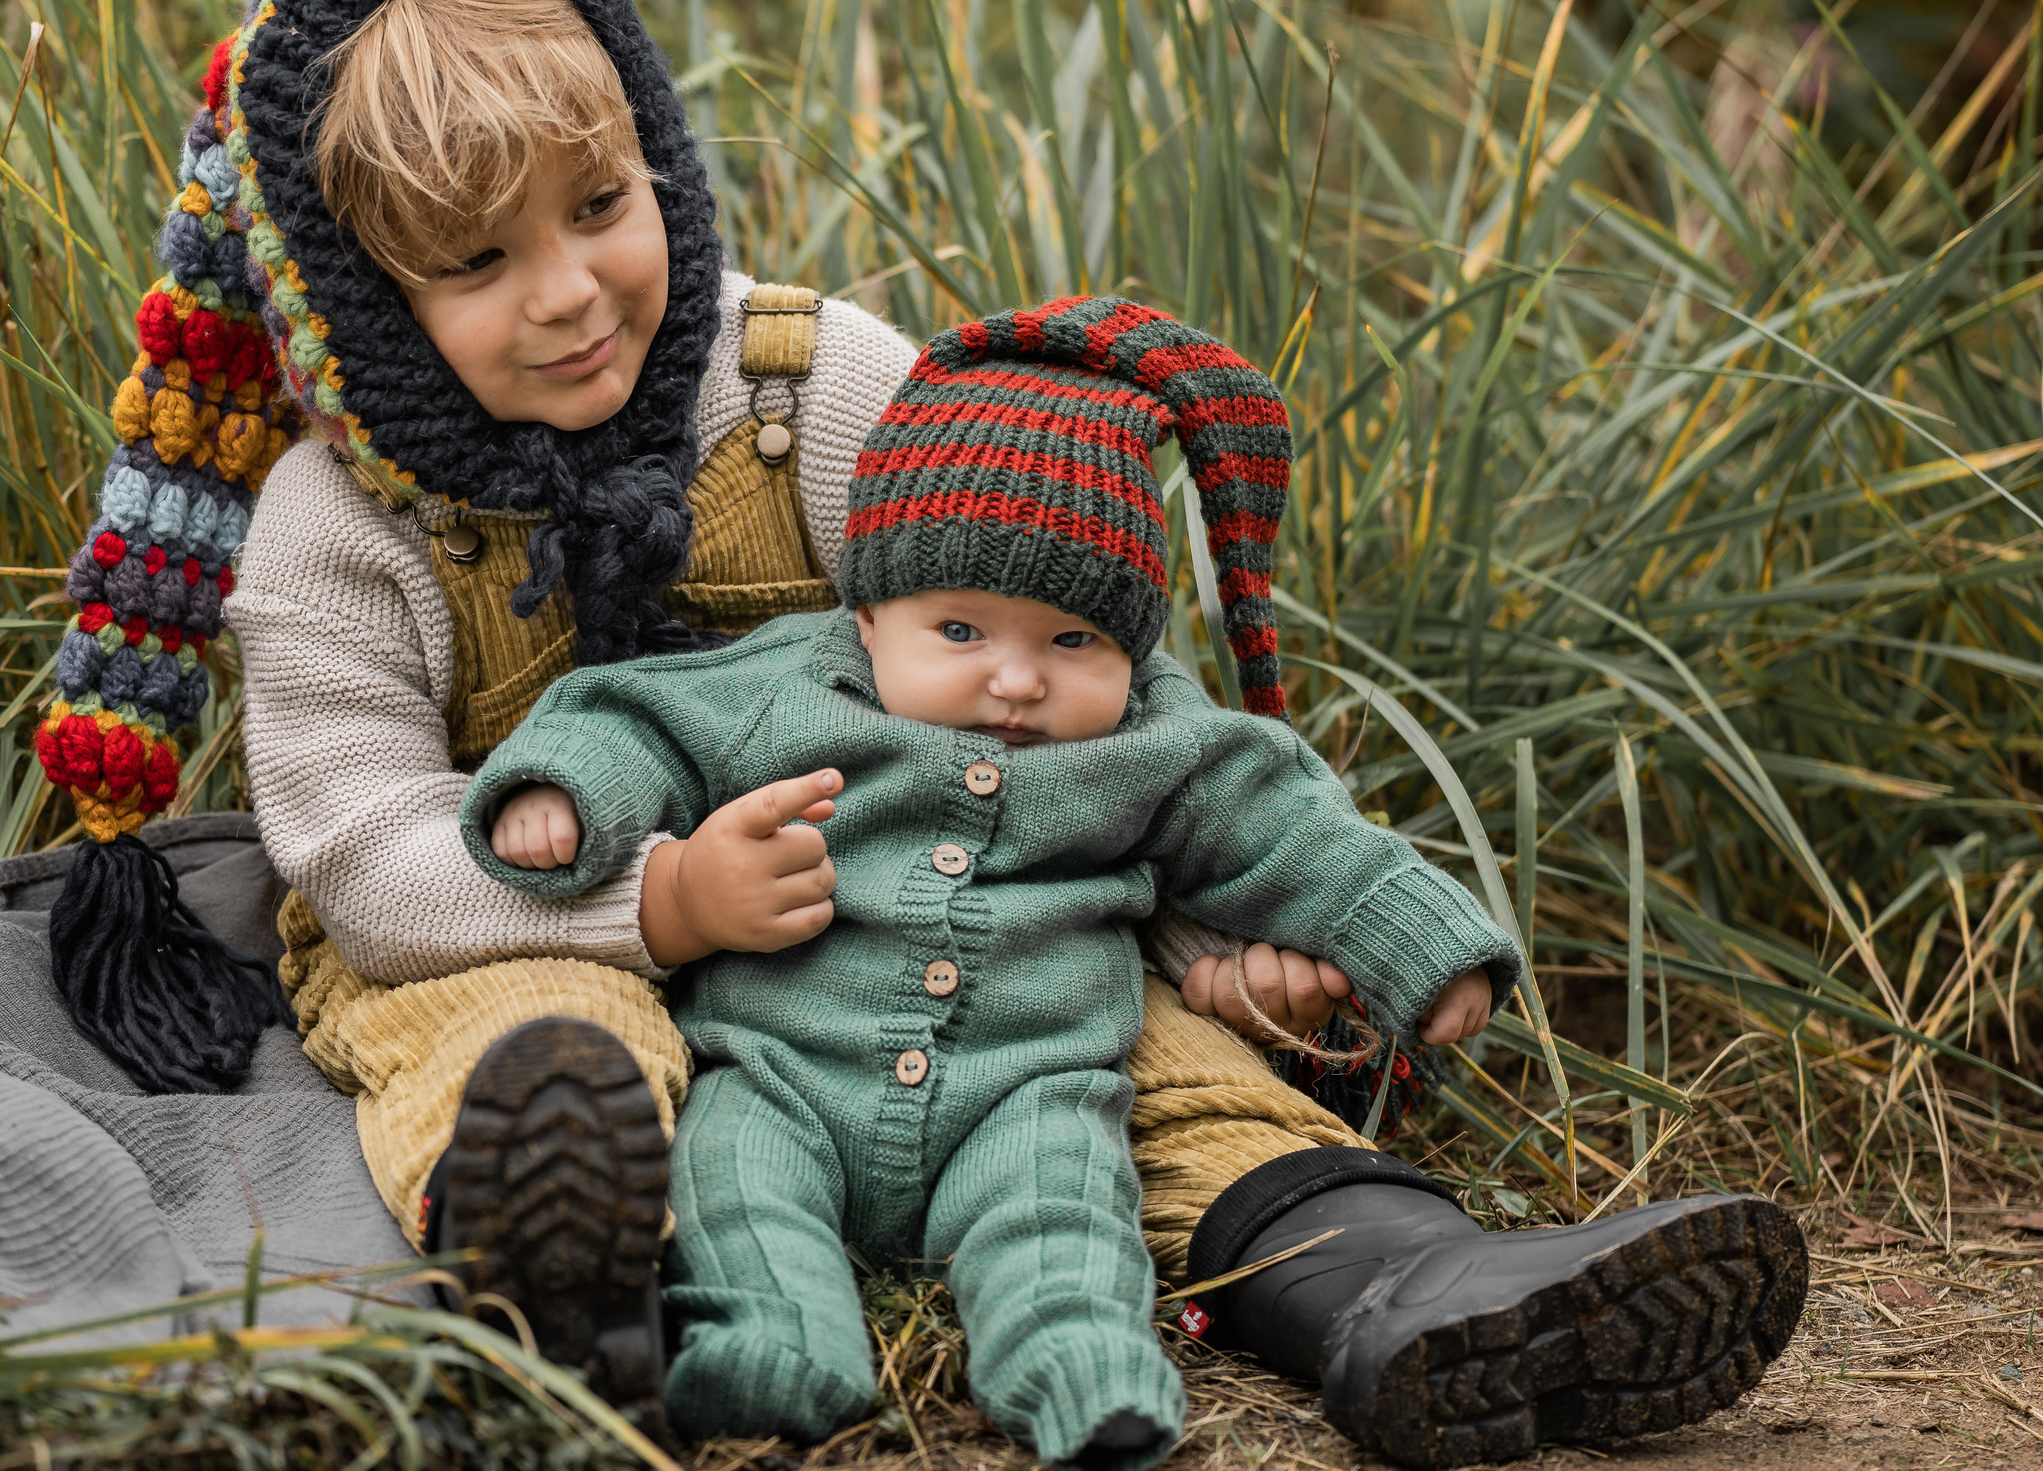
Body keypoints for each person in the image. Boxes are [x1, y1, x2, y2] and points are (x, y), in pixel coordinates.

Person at [31, 0, 1805, 1468]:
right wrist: (658, 902)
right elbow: (361, 848)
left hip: (958, 898)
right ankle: (569, 1285)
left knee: (1131, 1059)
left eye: (601, 208)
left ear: (660, 157)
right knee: (531, 1052)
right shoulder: (338, 529)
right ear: (356, 300)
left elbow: (1083, 688)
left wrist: (1197, 945)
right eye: (480, 265)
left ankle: (1391, 1283)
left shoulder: (813, 387)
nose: (571, 294)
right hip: (522, 919)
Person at [459, 298, 1808, 1468]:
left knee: (1064, 1218)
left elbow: (1291, 828)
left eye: (1072, 640)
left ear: (1135, 646)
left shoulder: (1160, 738)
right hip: (783, 1066)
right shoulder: (790, 683)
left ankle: (1083, 1375)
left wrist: (1419, 945)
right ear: (867, 615)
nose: (1016, 678)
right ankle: (777, 1346)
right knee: (738, 1186)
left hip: (1030, 1088)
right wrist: (564, 794)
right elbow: (631, 712)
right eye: (961, 631)